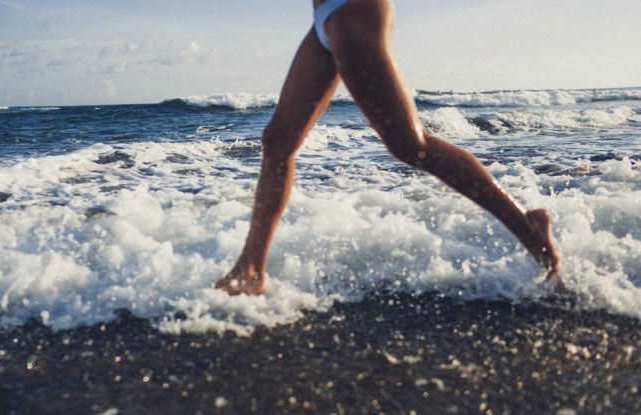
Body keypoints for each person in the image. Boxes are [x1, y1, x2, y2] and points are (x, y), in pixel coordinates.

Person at [215, 0, 560, 295]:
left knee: (411, 145)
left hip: (354, 10)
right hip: (325, 17)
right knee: (277, 143)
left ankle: (525, 225)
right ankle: (250, 269)